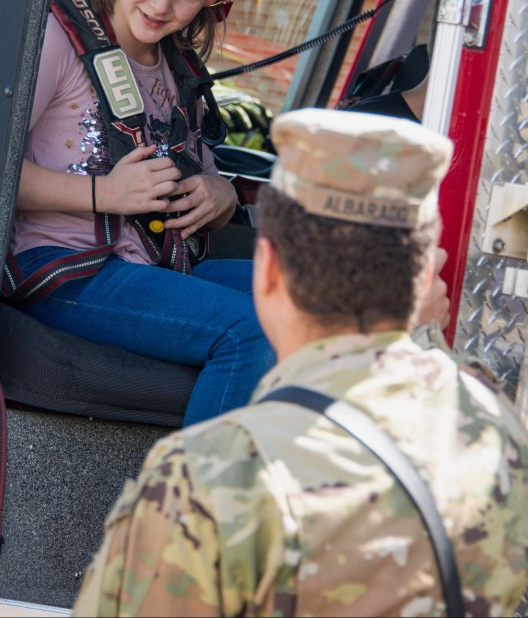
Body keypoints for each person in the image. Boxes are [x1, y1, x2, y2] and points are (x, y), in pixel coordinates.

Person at [72, 108, 528, 617]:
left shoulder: (211, 477)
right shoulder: (494, 429)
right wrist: (419, 332)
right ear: (421, 280)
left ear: (265, 273)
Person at [6, 0, 274, 426]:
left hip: (157, 266)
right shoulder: (59, 40)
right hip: (66, 268)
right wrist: (106, 194)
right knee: (253, 331)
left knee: (315, 296)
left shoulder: (177, 68)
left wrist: (220, 193)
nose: (161, 5)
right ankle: (195, 509)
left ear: (212, 0)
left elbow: (197, 179)